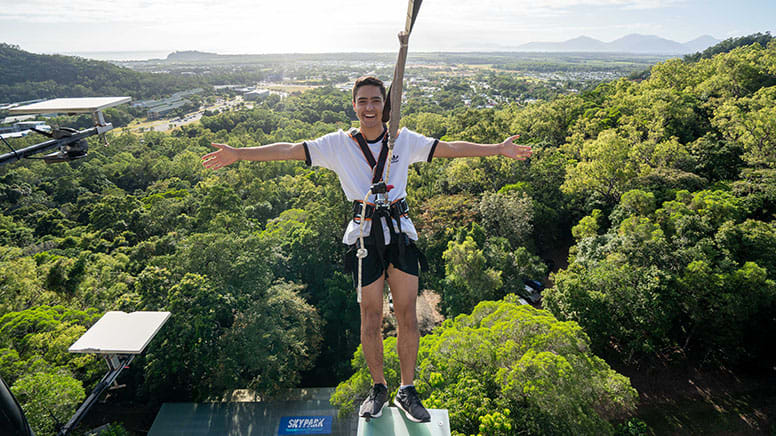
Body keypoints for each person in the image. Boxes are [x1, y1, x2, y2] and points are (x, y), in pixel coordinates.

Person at [202, 76, 532, 423]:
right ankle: (378, 388)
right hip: (364, 235)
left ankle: (407, 389)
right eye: (363, 101)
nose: (370, 107)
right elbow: (287, 150)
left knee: (407, 313)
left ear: (385, 106)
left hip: (400, 232)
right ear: (354, 105)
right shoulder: (338, 145)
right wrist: (239, 154)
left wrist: (497, 148)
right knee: (371, 316)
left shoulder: (403, 140)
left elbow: (449, 148)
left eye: (376, 101)